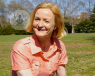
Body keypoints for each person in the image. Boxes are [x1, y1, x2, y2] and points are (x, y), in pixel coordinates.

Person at [10, 2, 68, 76]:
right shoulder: (21, 47)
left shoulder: (60, 46)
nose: (40, 25)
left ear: (55, 25)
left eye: (46, 21)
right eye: (37, 19)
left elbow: (61, 73)